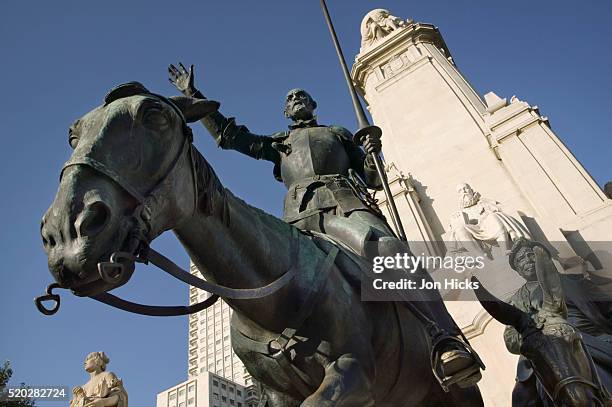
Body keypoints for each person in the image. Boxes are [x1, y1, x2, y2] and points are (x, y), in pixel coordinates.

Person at [168, 62, 483, 389]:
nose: (296, 99)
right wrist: (193, 95)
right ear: (286, 111)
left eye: (302, 95)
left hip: (343, 208)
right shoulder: (280, 143)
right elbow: (230, 137)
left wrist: (374, 154)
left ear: (313, 105)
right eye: (290, 99)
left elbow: (373, 178)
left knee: (389, 250)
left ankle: (445, 338)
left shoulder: (337, 134)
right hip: (297, 220)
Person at [504, 238, 612, 404]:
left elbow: (608, 308)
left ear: (545, 258)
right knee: (522, 397)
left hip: (591, 337)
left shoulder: (577, 282)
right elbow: (511, 339)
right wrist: (535, 330)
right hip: (546, 349)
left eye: (531, 254)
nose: (528, 260)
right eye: (521, 259)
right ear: (518, 270)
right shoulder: (516, 302)